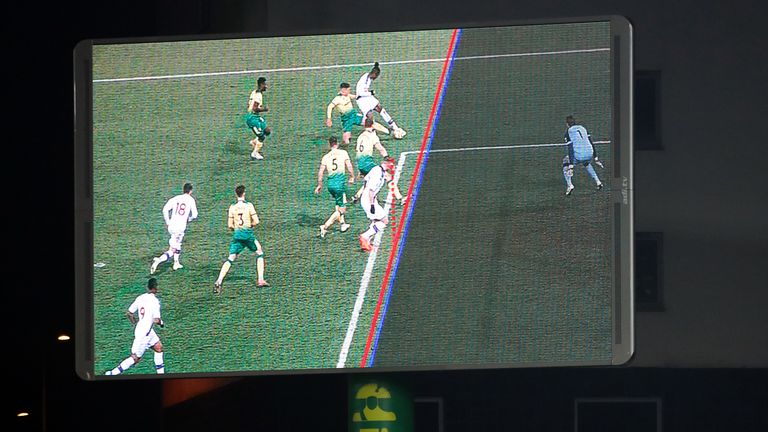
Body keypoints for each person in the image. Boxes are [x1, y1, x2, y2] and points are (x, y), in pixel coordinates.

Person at [214, 185, 269, 294]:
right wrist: (250, 226)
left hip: (237, 234)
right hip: (247, 234)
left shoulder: (232, 207)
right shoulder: (249, 206)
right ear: (244, 193)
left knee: (230, 258)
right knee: (260, 253)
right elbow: (256, 221)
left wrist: (237, 230)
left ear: (236, 194)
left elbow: (230, 225)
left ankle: (219, 281)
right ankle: (260, 279)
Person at [105, 278, 165, 375]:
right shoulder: (155, 301)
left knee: (158, 348)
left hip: (145, 330)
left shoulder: (140, 297)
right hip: (144, 334)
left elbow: (129, 313)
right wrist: (161, 323)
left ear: (148, 287)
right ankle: (113, 373)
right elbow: (156, 320)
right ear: (155, 288)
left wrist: (135, 323)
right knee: (136, 358)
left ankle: (161, 374)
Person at [358, 157, 406, 252]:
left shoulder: (377, 169)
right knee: (384, 221)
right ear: (387, 163)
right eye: (392, 164)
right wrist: (372, 205)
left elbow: (366, 181)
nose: (393, 166)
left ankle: (366, 242)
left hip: (368, 197)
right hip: (369, 199)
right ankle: (364, 237)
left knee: (375, 220)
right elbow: (371, 190)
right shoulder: (378, 174)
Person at [150, 183, 198, 274]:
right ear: (191, 191)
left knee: (176, 244)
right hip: (180, 227)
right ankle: (159, 261)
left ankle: (176, 263)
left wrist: (168, 222)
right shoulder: (191, 200)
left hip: (171, 226)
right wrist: (189, 219)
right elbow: (195, 215)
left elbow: (165, 209)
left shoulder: (176, 198)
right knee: (172, 250)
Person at [314, 136, 355, 238]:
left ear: (330, 144)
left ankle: (342, 224)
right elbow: (349, 165)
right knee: (342, 209)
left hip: (330, 185)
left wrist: (319, 185)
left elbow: (320, 172)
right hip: (339, 185)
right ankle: (325, 226)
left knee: (339, 202)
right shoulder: (343, 153)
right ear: (337, 143)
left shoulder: (326, 157)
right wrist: (352, 176)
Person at [355, 62, 406, 138]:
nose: (376, 78)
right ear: (374, 74)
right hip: (361, 100)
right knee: (370, 117)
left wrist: (369, 94)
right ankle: (369, 133)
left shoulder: (368, 77)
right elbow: (359, 93)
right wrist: (371, 93)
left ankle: (395, 127)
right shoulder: (364, 80)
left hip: (367, 97)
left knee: (380, 109)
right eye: (376, 76)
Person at [563, 115, 603, 195]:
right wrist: (596, 158)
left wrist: (571, 165)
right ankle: (598, 182)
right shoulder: (582, 128)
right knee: (586, 163)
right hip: (590, 153)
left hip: (579, 155)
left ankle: (570, 185)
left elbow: (570, 149)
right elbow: (591, 142)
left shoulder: (568, 132)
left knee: (565, 161)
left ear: (567, 124)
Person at [246, 77, 271, 160]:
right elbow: (255, 108)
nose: (266, 86)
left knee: (267, 131)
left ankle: (254, 142)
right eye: (265, 84)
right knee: (262, 137)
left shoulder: (254, 92)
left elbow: (249, 104)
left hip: (256, 116)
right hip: (252, 119)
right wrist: (264, 109)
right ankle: (254, 153)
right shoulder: (258, 96)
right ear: (261, 84)